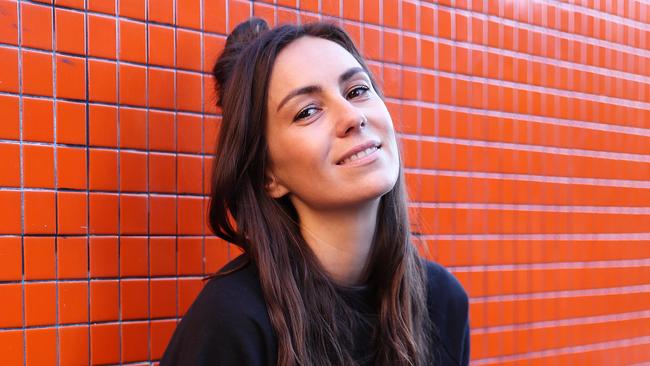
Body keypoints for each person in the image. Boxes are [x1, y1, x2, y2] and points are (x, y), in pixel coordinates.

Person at [160, 17, 470, 366]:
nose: (352, 116)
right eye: (307, 111)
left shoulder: (441, 303)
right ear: (268, 176)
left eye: (357, 91)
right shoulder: (233, 322)